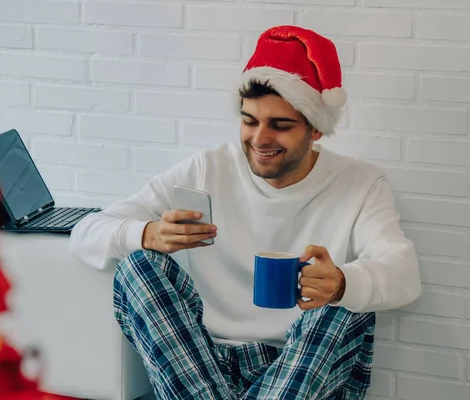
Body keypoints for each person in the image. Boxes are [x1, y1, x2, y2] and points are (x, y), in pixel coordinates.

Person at [69, 25, 421, 399]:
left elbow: (403, 275)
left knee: (344, 301)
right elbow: (86, 232)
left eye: (280, 126)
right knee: (138, 266)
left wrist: (342, 282)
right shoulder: (208, 168)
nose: (259, 139)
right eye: (249, 121)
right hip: (201, 367)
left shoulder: (360, 182)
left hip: (298, 365)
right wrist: (146, 233)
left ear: (316, 129)